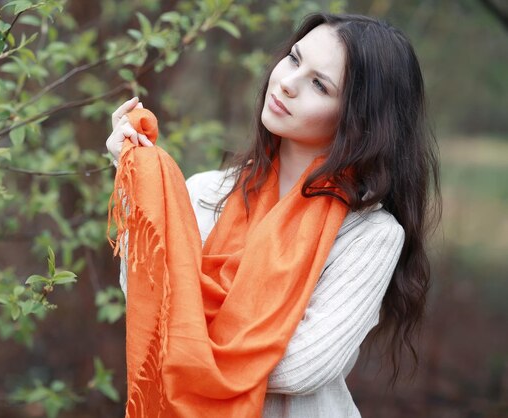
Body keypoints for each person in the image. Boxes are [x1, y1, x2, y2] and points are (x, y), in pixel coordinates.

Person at [106, 12, 440, 418]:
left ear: (359, 121)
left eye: (319, 84)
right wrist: (137, 183)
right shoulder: (205, 191)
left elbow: (305, 366)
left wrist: (184, 337)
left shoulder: (369, 234)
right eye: (295, 59)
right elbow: (144, 299)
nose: (286, 82)